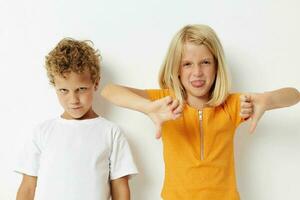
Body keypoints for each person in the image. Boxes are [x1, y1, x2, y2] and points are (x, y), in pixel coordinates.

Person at [101, 24, 300, 200]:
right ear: (176, 69)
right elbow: (109, 91)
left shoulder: (231, 105)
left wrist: (266, 99)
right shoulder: (165, 103)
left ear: (216, 66)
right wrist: (148, 107)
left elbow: (294, 94)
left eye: (205, 62)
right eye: (187, 64)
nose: (197, 72)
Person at [15, 38, 138, 200]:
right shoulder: (42, 132)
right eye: (64, 90)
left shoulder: (111, 132)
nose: (73, 100)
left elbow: (120, 187)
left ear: (95, 83)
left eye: (81, 89)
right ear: (55, 87)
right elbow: (28, 187)